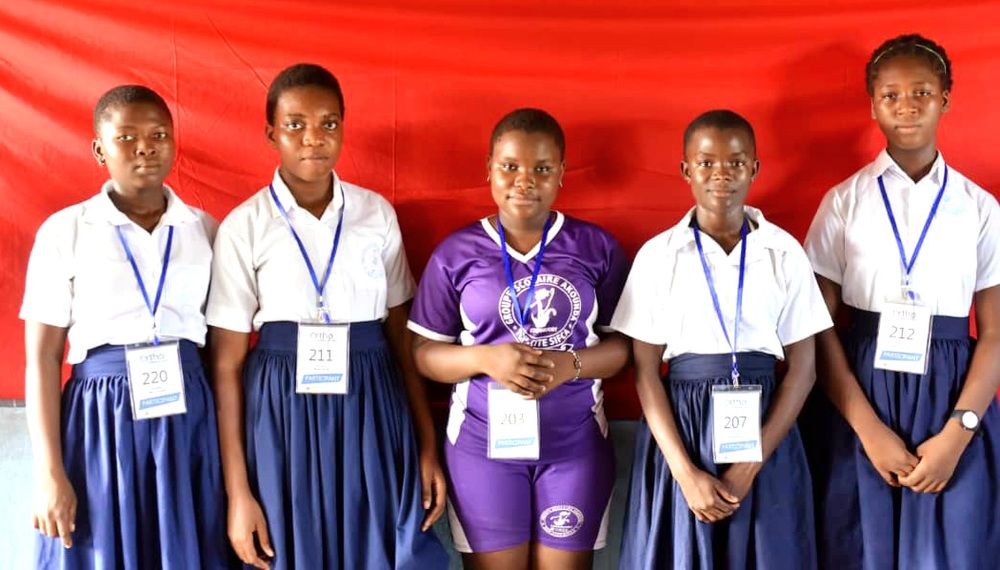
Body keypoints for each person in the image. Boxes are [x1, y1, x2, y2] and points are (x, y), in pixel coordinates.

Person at [206, 63, 448, 570]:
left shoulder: (375, 214)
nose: (313, 138)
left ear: (343, 127)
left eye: (328, 123)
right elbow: (227, 365)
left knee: (376, 541)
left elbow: (402, 337)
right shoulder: (244, 227)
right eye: (295, 125)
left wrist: (427, 443)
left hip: (371, 399)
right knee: (292, 545)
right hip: (280, 410)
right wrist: (238, 492)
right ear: (271, 133)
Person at [803, 34, 1000, 570]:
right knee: (857, 549)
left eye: (922, 93)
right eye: (890, 95)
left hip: (951, 394)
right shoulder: (843, 202)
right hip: (859, 393)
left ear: (945, 100)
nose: (907, 106)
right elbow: (816, 328)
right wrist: (868, 430)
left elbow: (994, 334)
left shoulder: (979, 208)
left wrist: (959, 431)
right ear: (873, 105)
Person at [408, 108, 631, 570]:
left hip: (575, 446)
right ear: (488, 169)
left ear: (562, 173)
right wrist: (486, 359)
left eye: (542, 169)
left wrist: (570, 365)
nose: (525, 181)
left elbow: (623, 348)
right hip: (482, 449)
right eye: (510, 166)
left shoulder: (597, 248)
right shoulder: (456, 253)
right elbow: (424, 355)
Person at [22, 85, 230, 569]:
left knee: (185, 545)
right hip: (100, 418)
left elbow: (220, 349)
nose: (145, 148)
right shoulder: (65, 232)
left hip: (188, 416)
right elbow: (43, 357)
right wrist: (49, 471)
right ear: (100, 150)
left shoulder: (205, 230)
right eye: (127, 137)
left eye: (158, 135)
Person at [612, 110, 830, 569]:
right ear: (685, 169)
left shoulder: (783, 252)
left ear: (754, 168)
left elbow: (804, 370)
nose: (721, 174)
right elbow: (646, 372)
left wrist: (750, 465)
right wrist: (684, 473)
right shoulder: (659, 255)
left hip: (766, 429)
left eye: (735, 162)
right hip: (682, 432)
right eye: (706, 162)